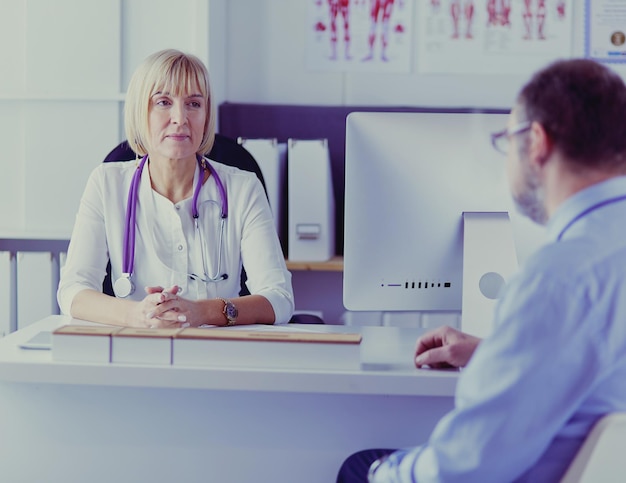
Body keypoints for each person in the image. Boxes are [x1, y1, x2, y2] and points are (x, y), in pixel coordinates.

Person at [337, 58, 626, 482]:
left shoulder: (558, 278)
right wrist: (498, 351)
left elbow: (467, 466)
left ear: (537, 143)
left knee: (361, 467)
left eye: (505, 141)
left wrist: (386, 473)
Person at [57, 49, 294, 329]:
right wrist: (137, 314)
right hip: (135, 353)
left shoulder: (243, 188)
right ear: (139, 111)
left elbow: (279, 299)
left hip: (217, 357)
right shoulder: (106, 183)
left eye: (194, 104)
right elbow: (72, 292)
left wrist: (201, 312)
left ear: (206, 114)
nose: (180, 118)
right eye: (163, 102)